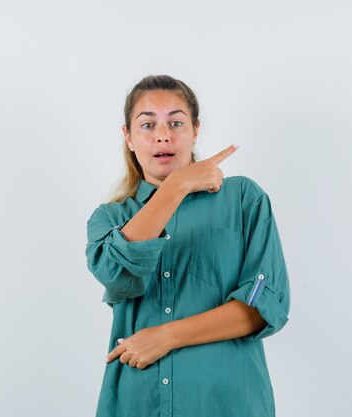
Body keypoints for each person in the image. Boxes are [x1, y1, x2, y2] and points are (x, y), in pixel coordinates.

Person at [84, 74, 291, 417]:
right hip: (138, 400)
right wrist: (174, 187)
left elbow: (265, 306)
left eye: (175, 122)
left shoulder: (243, 199)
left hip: (227, 402)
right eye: (147, 124)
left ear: (195, 130)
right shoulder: (109, 218)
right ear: (128, 137)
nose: (163, 134)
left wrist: (165, 336)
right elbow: (117, 276)